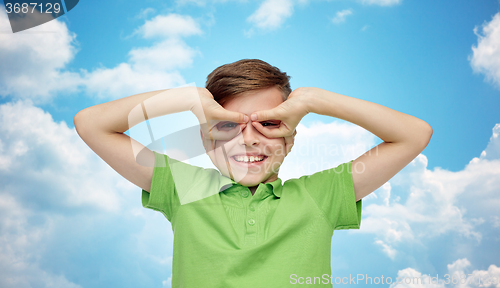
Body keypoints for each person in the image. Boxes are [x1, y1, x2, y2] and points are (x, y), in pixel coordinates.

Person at [74, 59, 432, 287]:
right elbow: (91, 124)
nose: (248, 139)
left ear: (290, 138)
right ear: (205, 137)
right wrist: (187, 99)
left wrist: (311, 100)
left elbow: (414, 135)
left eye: (269, 124)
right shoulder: (183, 188)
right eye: (227, 125)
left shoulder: (321, 195)